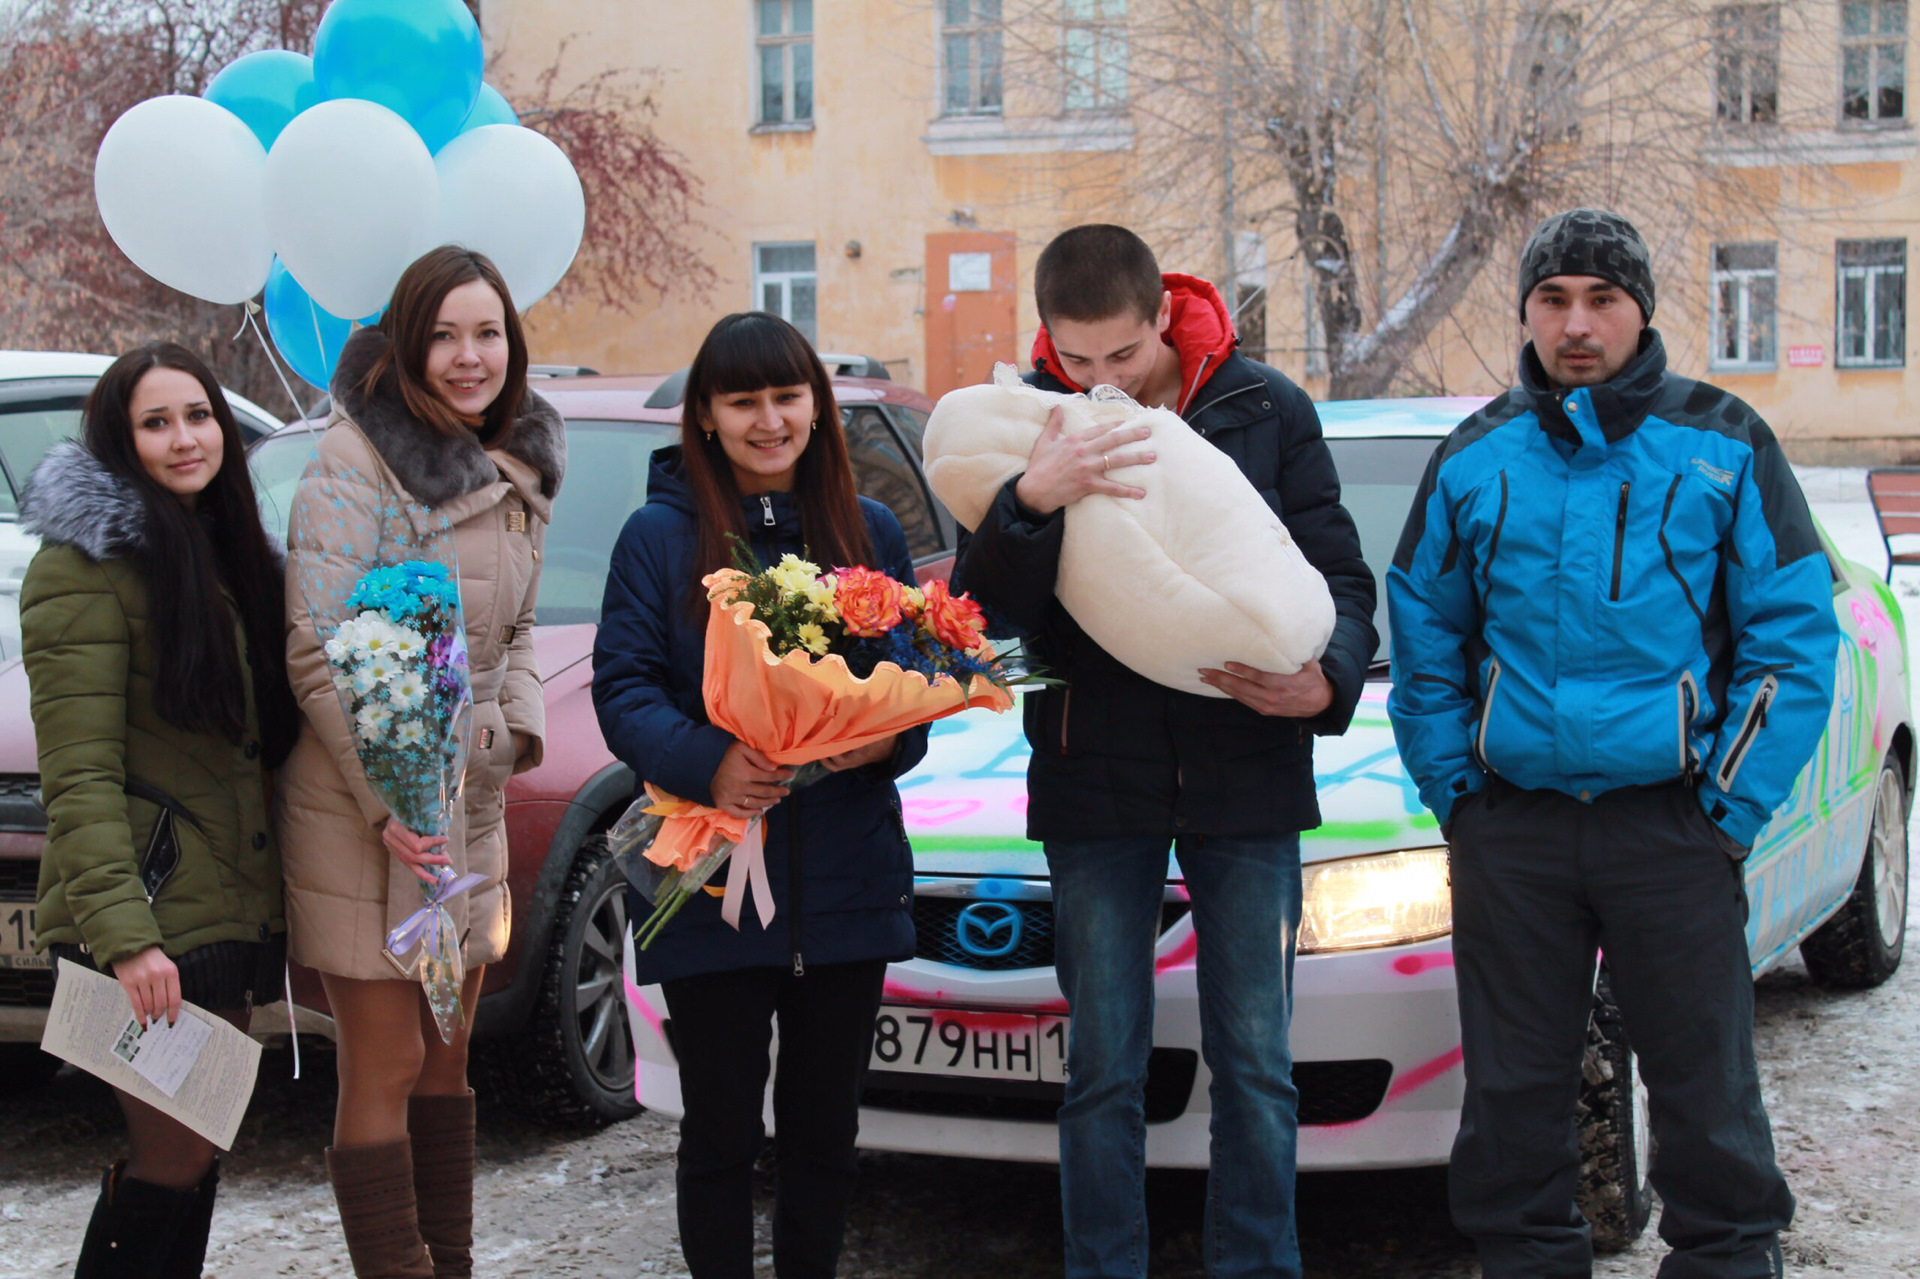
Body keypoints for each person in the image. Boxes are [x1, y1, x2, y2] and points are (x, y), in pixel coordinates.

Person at [1388, 208, 1836, 1277]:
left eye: (1602, 299)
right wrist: (1461, 792)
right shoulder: (1475, 457)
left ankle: (1729, 1259)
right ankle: (1529, 1259)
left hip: (1670, 828)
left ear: (1641, 310)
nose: (1576, 323)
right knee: (1511, 1095)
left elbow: (1792, 637)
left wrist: (1725, 806)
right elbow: (1424, 633)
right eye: (1554, 299)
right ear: (1528, 312)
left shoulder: (1725, 442)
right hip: (1517, 834)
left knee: (1706, 1087)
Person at [953, 224, 1378, 1278]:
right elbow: (984, 611)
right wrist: (1029, 499)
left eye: (1123, 358)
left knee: (1257, 1063)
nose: (1102, 381)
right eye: (1077, 360)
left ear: (1164, 320)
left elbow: (1345, 586)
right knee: (1102, 1065)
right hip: (1094, 777)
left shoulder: (1263, 407)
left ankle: (1258, 1266)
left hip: (1248, 773)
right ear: (1047, 339)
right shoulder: (1025, 423)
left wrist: (1325, 682)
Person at [592, 312, 927, 1279]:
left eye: (787, 397)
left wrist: (883, 742)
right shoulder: (660, 538)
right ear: (704, 416)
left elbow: (913, 683)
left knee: (826, 1138)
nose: (768, 419)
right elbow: (625, 687)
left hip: (845, 884)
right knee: (721, 1135)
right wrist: (711, 764)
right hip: (708, 878)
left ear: (818, 409)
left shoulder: (871, 533)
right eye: (743, 401)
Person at [278, 246, 564, 1279]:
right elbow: (316, 645)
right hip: (367, 823)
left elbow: (521, 627)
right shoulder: (354, 463)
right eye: (442, 334)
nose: (467, 355)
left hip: (469, 814)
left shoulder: (524, 463)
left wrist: (512, 729)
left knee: (449, 1057)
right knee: (390, 1060)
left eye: (486, 332)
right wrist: (390, 796)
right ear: (406, 344)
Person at [19, 343, 300, 1277]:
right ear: (119, 439)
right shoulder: (82, 571)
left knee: (195, 1148)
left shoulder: (231, 555)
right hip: (142, 927)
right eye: (156, 422)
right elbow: (79, 774)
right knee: (173, 1154)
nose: (185, 438)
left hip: (219, 909)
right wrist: (126, 939)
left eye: (199, 415)